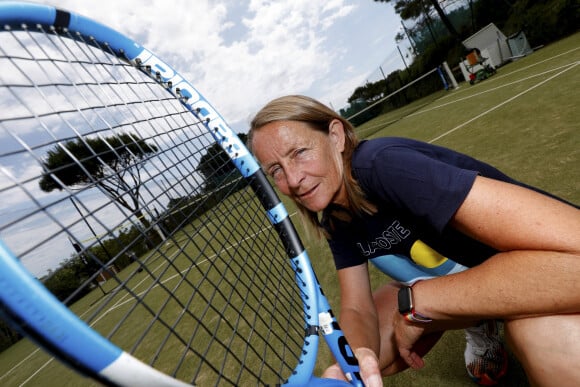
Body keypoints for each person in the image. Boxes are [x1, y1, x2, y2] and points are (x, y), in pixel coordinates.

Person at [248, 95, 580, 387]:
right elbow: (355, 306)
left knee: (541, 340)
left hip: (551, 266)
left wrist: (422, 302)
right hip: (487, 277)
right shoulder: (336, 217)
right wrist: (359, 355)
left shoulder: (381, 165)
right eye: (275, 170)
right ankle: (483, 318)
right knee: (370, 359)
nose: (292, 179)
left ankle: (483, 315)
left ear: (335, 136)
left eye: (300, 152)